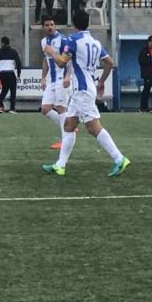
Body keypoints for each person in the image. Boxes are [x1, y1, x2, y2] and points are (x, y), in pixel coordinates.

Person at [42, 10, 130, 177]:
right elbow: (109, 62)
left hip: (82, 89)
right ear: (88, 23)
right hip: (82, 88)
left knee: (93, 127)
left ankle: (119, 159)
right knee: (68, 126)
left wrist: (51, 51)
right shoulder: (95, 42)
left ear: (74, 25)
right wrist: (102, 81)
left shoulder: (73, 40)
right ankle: (60, 165)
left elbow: (61, 63)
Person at [40, 16, 70, 149]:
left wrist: (68, 76)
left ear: (55, 26)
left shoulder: (63, 40)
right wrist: (43, 78)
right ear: (43, 27)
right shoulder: (43, 42)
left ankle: (64, 139)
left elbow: (69, 59)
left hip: (61, 79)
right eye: (47, 25)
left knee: (60, 108)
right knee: (45, 109)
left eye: (52, 24)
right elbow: (45, 61)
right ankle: (69, 125)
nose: (50, 27)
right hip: (51, 80)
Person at [0, 37, 22, 113]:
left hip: (2, 73)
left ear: (2, 43)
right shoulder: (13, 52)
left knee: (4, 90)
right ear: (9, 42)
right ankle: (12, 108)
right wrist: (19, 73)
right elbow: (18, 63)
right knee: (13, 90)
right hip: (10, 72)